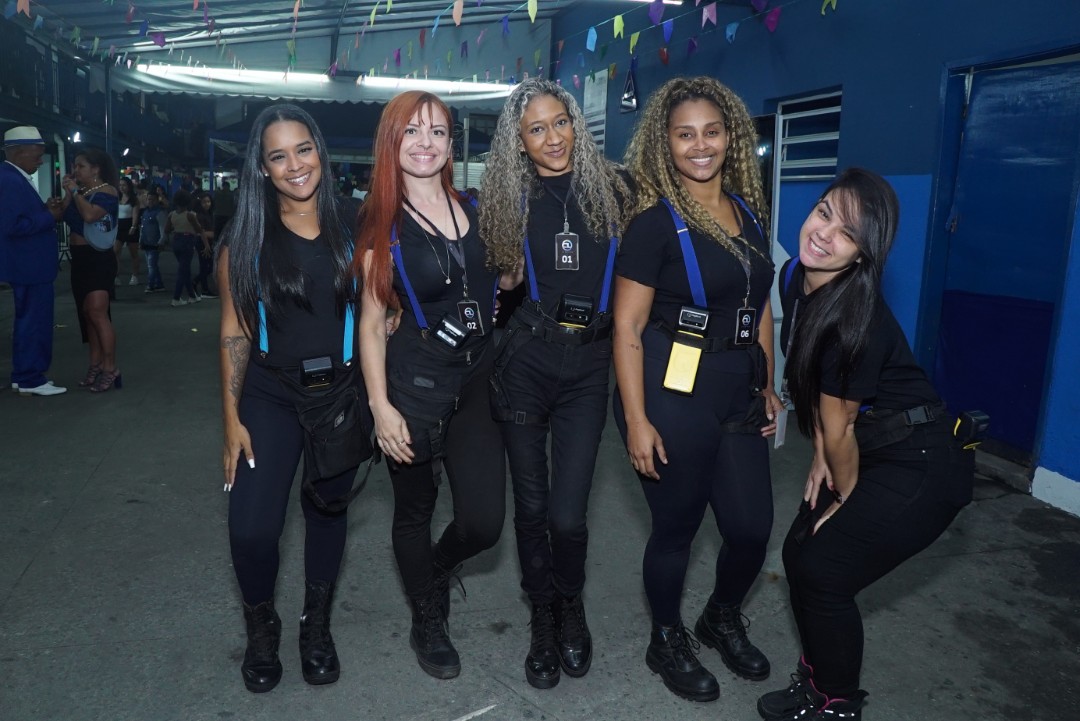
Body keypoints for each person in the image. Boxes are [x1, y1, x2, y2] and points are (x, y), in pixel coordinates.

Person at [757, 169, 974, 721]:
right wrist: (819, 455)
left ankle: (837, 705)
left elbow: (842, 423)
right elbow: (822, 399)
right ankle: (817, 681)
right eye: (824, 213)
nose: (824, 234)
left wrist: (842, 495)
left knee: (824, 571)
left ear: (862, 254)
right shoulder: (795, 277)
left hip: (921, 462)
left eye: (848, 233)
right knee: (798, 553)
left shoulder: (853, 318)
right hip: (865, 441)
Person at [612, 76, 782, 702]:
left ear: (730, 135)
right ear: (666, 143)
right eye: (685, 135)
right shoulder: (652, 225)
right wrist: (636, 420)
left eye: (711, 132)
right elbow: (627, 328)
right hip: (671, 384)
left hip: (737, 386)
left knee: (751, 528)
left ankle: (720, 616)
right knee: (677, 526)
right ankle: (666, 639)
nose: (700, 145)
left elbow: (759, 306)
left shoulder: (749, 214)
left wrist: (768, 380)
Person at [479, 77, 633, 690]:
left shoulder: (616, 190)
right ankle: (542, 614)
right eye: (536, 129)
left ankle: (571, 601)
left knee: (568, 516)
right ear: (519, 141)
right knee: (532, 506)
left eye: (560, 122)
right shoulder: (509, 200)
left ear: (576, 123)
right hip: (526, 363)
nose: (552, 138)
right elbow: (493, 281)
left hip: (589, 367)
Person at [356, 90, 508, 680]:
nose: (426, 143)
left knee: (484, 523)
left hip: (477, 379)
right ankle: (426, 614)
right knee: (414, 510)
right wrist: (380, 406)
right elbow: (372, 323)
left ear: (451, 143)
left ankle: (437, 569)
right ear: (391, 142)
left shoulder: (474, 207)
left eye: (438, 132)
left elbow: (502, 280)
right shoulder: (382, 225)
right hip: (414, 383)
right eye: (412, 131)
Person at [218, 103, 365, 693]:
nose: (295, 165)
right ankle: (262, 626)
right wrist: (230, 420)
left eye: (303, 149)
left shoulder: (358, 224)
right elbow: (234, 332)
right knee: (252, 528)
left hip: (341, 395)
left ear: (320, 152)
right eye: (278, 156)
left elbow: (387, 303)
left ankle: (316, 626)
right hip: (270, 394)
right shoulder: (245, 238)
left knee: (327, 511)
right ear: (262, 167)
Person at [0, 126, 66, 396]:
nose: (41, 161)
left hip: (27, 264)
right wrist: (49, 216)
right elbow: (12, 225)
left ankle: (23, 375)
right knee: (34, 322)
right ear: (19, 152)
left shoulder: (12, 177)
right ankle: (31, 378)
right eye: (37, 155)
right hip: (29, 265)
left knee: (27, 321)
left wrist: (45, 210)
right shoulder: (10, 180)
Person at [61, 147, 122, 393]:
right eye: (75, 166)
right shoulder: (83, 192)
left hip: (98, 258)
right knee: (87, 314)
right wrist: (68, 194)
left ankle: (110, 368)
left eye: (81, 166)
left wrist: (75, 192)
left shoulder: (107, 192)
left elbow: (89, 216)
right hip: (80, 259)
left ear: (95, 169)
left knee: (98, 312)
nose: (76, 170)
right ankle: (95, 364)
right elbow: (64, 214)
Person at [165, 189, 207, 307]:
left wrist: (176, 227)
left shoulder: (171, 214)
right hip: (188, 241)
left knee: (185, 269)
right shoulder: (190, 215)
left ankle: (192, 296)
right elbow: (198, 229)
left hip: (176, 241)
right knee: (182, 270)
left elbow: (166, 230)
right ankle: (176, 298)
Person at [133, 185, 165, 293]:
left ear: (157, 200)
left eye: (152, 199)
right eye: (148, 199)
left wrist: (161, 241)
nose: (150, 201)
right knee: (153, 265)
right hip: (146, 242)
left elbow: (162, 228)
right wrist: (140, 240)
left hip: (155, 243)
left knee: (151, 265)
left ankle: (150, 285)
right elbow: (142, 228)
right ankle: (159, 284)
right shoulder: (145, 212)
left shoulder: (160, 213)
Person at [114, 176, 140, 286]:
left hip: (130, 227)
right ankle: (116, 276)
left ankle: (135, 276)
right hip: (119, 227)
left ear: (129, 186)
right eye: (120, 185)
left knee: (133, 253)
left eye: (124, 185)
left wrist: (133, 226)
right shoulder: (117, 198)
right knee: (116, 251)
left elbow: (135, 215)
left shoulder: (134, 199)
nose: (122, 187)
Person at [193, 193, 217, 298]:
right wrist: (207, 245)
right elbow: (200, 232)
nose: (207, 204)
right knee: (205, 266)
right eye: (204, 202)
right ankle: (204, 289)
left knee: (209, 266)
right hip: (203, 243)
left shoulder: (210, 214)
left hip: (208, 242)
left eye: (208, 202)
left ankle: (198, 283)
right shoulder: (200, 216)